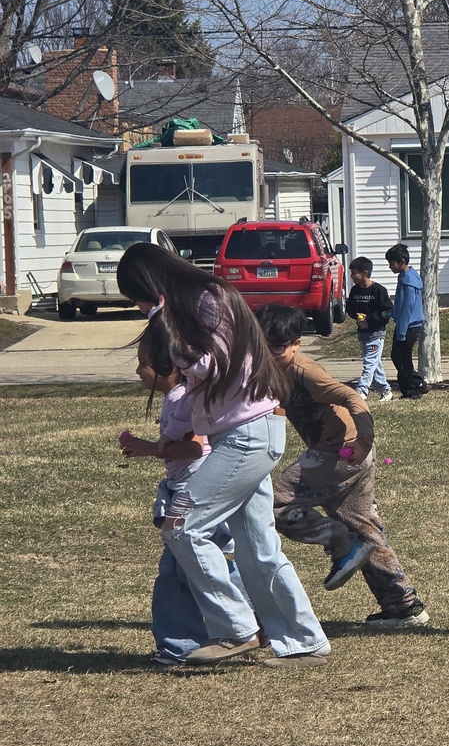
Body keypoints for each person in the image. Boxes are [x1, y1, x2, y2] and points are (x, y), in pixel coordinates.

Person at [116, 242, 331, 668]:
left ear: (150, 283)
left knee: (181, 526)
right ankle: (306, 641)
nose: (138, 306)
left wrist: (165, 324)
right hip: (248, 432)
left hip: (246, 435)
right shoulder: (203, 300)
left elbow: (213, 364)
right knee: (257, 548)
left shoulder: (206, 301)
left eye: (137, 296)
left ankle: (236, 629)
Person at [256, 303, 429, 627]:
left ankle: (339, 541)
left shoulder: (306, 371)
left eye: (278, 348)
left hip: (341, 453)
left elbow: (353, 398)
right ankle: (404, 607)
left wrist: (362, 441)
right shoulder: (272, 367)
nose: (270, 353)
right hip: (348, 455)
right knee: (363, 526)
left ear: (297, 344)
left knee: (270, 501)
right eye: (264, 346)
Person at [119, 310, 251, 665]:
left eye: (143, 363)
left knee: (182, 570)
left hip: (193, 492)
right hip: (187, 490)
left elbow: (194, 447)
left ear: (166, 364)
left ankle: (185, 644)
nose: (138, 371)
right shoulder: (177, 396)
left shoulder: (180, 398)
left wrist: (148, 448)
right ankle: (243, 624)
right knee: (198, 565)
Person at [345, 256, 394, 402]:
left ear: (365, 273)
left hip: (376, 332)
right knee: (374, 363)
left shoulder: (379, 291)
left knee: (369, 362)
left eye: (354, 273)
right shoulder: (355, 291)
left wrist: (370, 319)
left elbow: (387, 311)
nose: (352, 276)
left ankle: (361, 390)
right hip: (363, 333)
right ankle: (386, 391)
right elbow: (350, 308)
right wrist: (357, 317)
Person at [385, 243, 428, 399]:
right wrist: (391, 312)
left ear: (401, 261)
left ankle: (414, 387)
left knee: (400, 357)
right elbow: (401, 305)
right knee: (401, 357)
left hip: (408, 325)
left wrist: (401, 332)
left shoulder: (408, 281)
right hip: (408, 324)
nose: (390, 267)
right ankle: (414, 386)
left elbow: (407, 308)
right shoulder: (408, 275)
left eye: (391, 263)